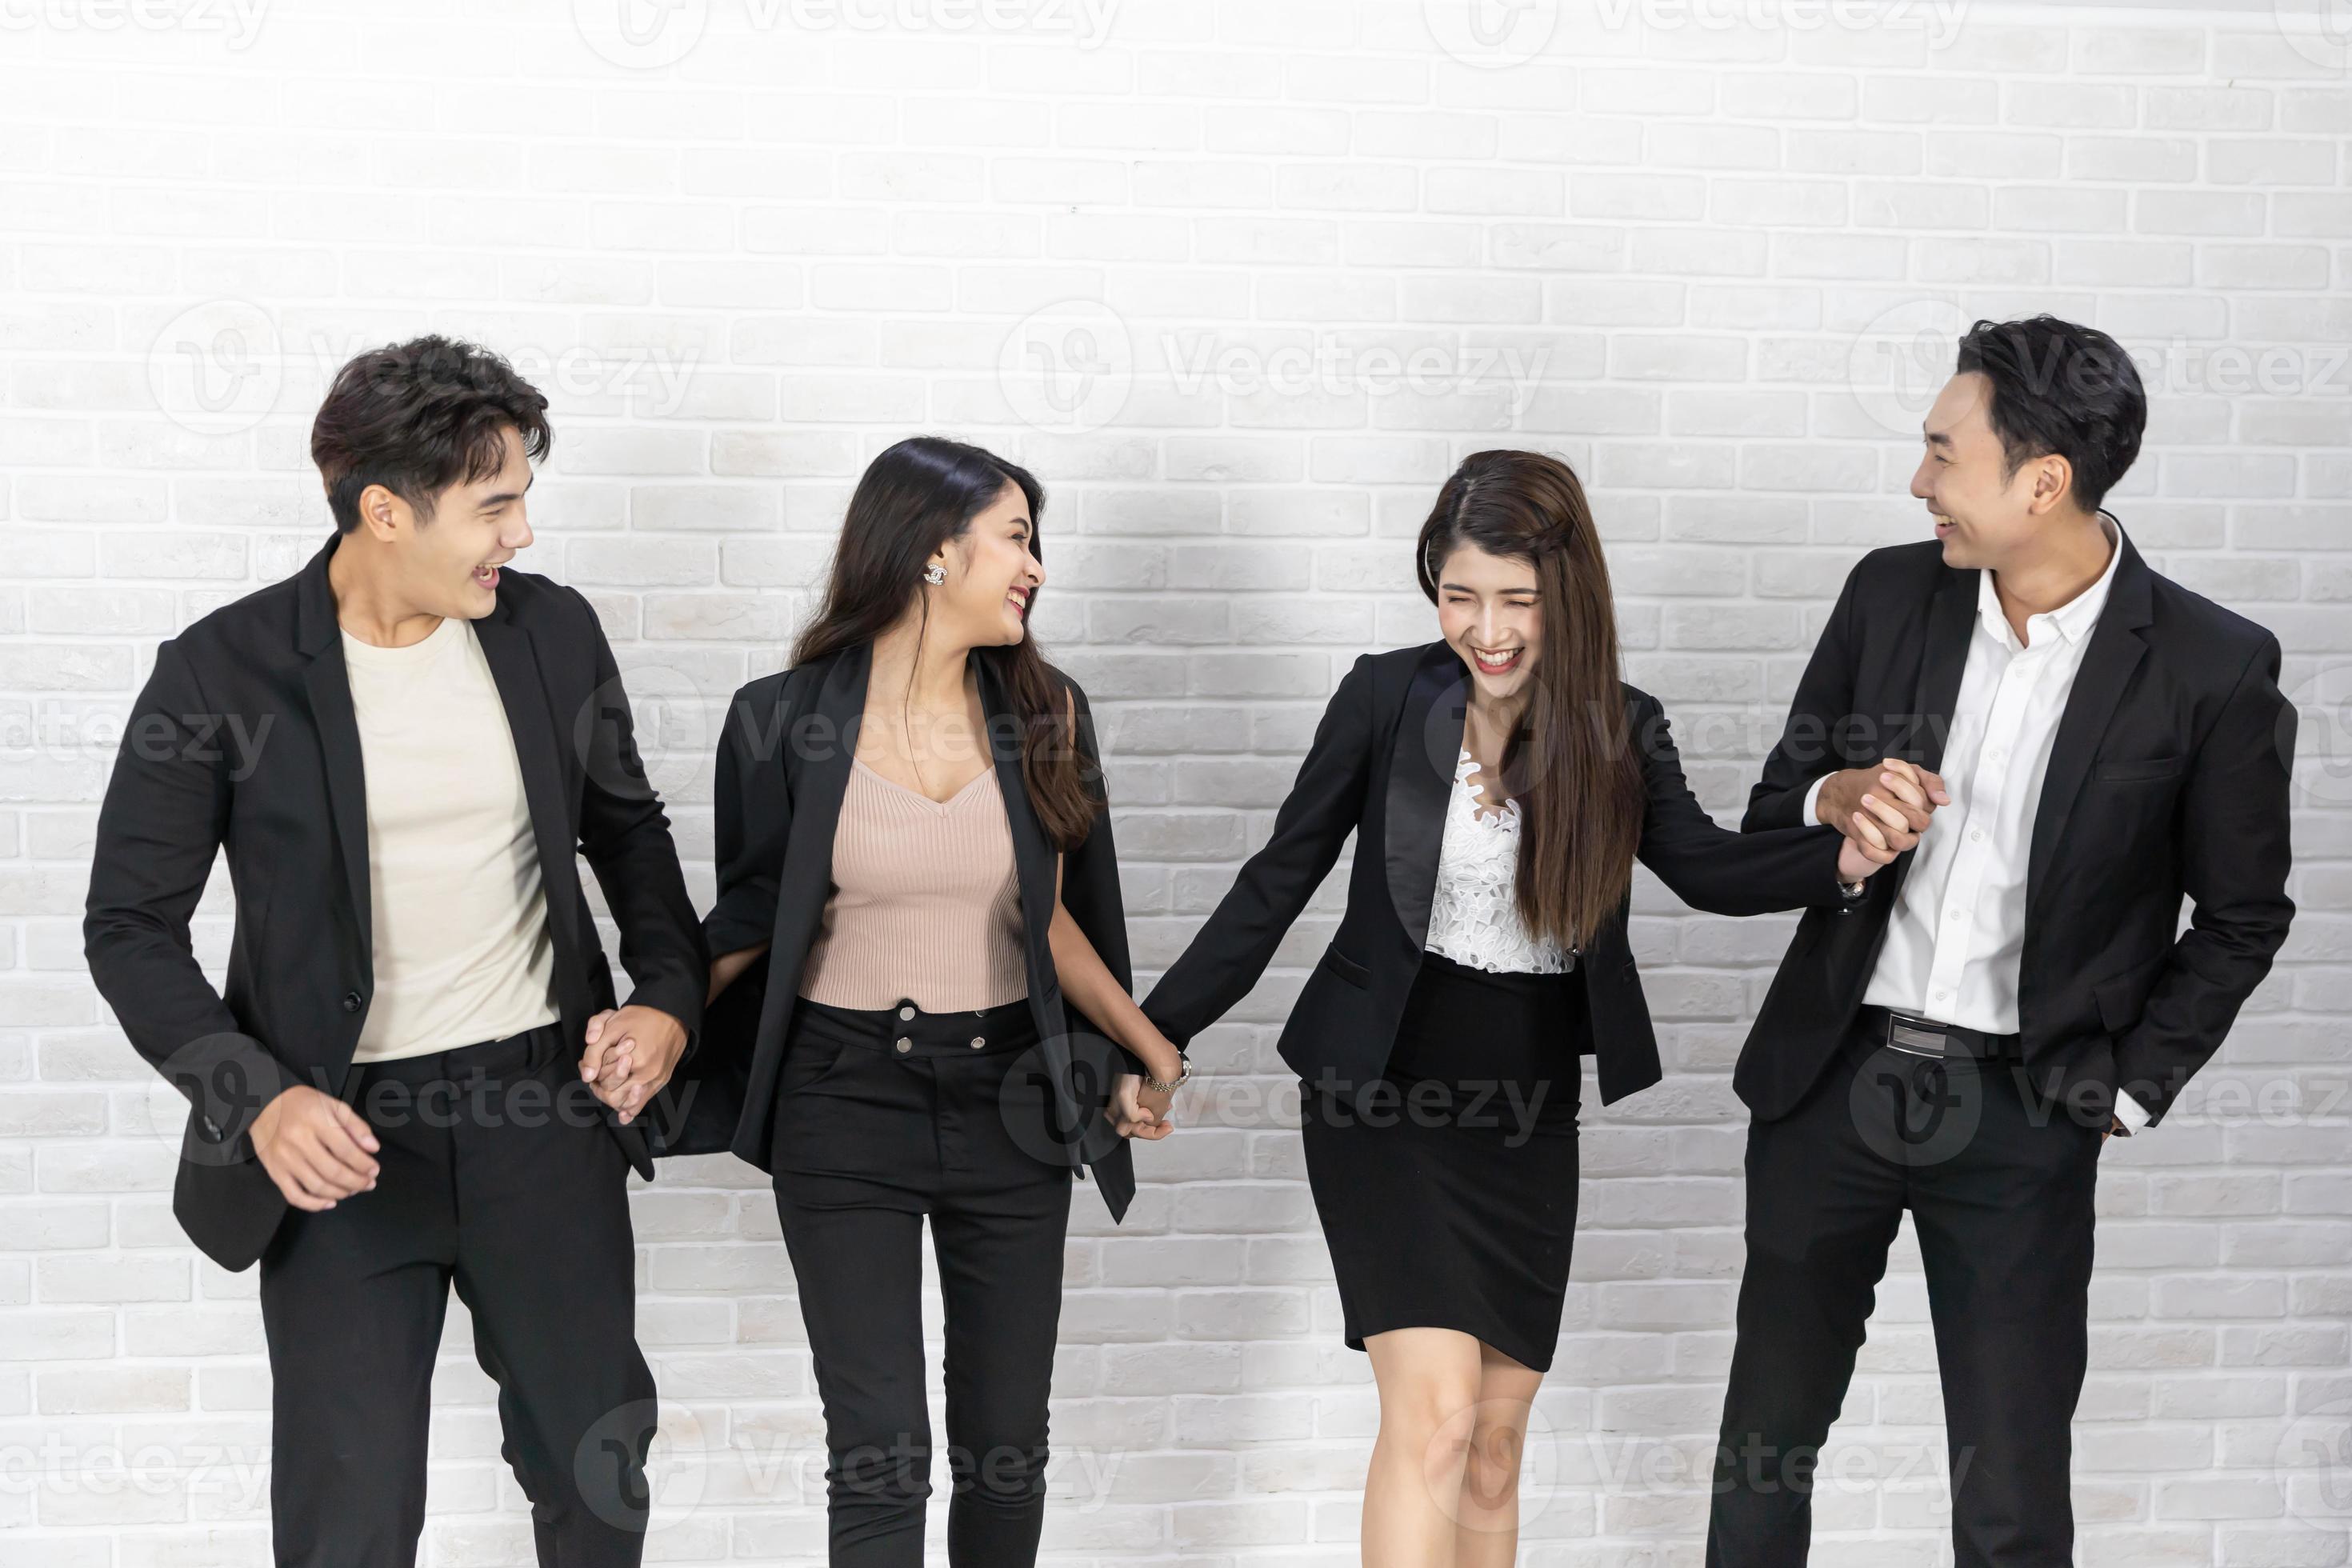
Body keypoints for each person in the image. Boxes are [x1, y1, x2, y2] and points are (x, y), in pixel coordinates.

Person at [1136, 449, 1903, 1567]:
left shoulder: (1622, 727)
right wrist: (1155, 1034)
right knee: (1436, 1416)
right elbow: (1275, 881)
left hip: (1527, 1112)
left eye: (1517, 602)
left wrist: (1842, 852)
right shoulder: (1384, 697)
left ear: (1568, 596)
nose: (1485, 631)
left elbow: (1710, 871)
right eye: (1459, 596)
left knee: (1494, 1443)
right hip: (1384, 1094)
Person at [82, 336, 709, 1566]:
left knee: (594, 1479)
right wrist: (253, 1099)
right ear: (383, 511)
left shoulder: (552, 635)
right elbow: (128, 927)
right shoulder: (221, 671)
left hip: (545, 1117)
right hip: (341, 1143)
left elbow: (628, 835)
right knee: (350, 1515)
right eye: (495, 506)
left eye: (524, 498)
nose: (520, 535)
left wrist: (670, 1000)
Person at [1707, 315, 2298, 1567]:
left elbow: (2244, 915)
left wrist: (2129, 1089)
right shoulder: (1888, 593)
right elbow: (1776, 808)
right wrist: (1835, 799)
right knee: (1766, 1445)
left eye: (1941, 453)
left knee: (2013, 1485)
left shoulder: (2214, 668)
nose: (1918, 482)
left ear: (2044, 482)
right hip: (1832, 1083)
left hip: (2024, 1112)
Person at [689, 435, 1184, 1566]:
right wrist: (652, 1017)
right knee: (880, 1454)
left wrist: (1149, 1047)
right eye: (1015, 538)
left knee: (1007, 1446)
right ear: (928, 550)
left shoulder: (1047, 710)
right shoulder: (781, 716)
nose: (1035, 568)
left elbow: (1052, 915)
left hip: (1010, 1098)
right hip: (842, 1100)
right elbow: (751, 914)